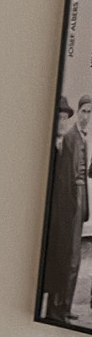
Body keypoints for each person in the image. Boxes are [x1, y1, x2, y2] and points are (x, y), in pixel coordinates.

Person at [50, 92, 92, 323]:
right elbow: (67, 177)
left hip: (81, 199)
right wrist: (71, 207)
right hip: (70, 201)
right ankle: (58, 309)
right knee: (67, 257)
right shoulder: (70, 137)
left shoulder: (83, 138)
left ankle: (66, 307)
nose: (86, 116)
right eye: (83, 111)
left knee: (75, 259)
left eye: (90, 113)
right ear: (79, 112)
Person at [43, 95, 76, 322]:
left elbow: (72, 184)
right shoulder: (46, 150)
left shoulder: (68, 149)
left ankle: (54, 314)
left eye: (65, 118)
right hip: (49, 221)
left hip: (63, 221)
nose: (62, 122)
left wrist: (71, 210)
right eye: (59, 118)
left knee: (60, 267)